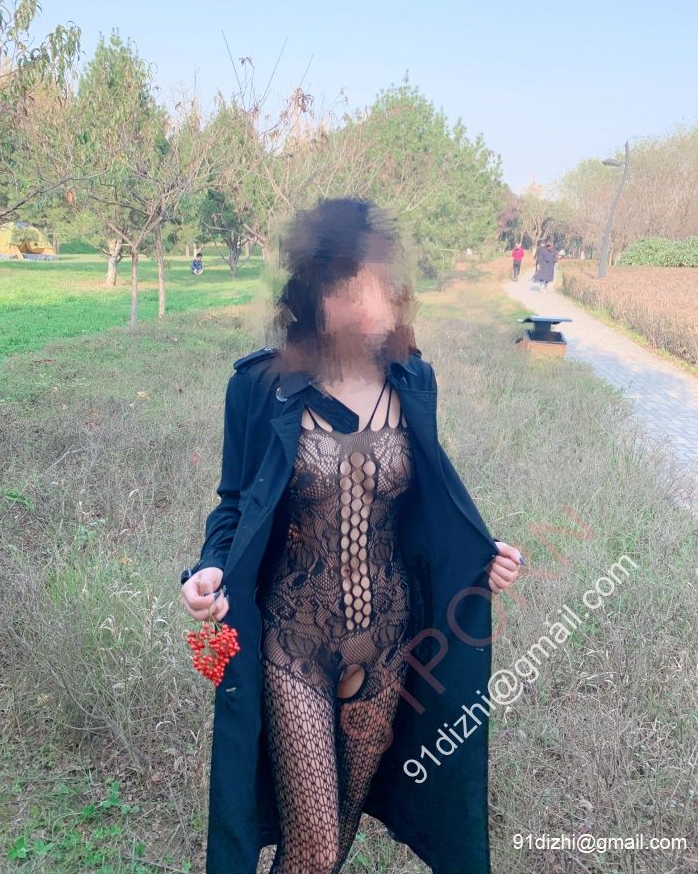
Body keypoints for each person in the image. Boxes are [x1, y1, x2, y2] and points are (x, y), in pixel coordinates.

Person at [179, 197, 525, 874]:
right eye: (347, 285)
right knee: (311, 850)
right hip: (295, 643)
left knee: (336, 838)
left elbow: (431, 504)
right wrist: (209, 569)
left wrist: (483, 559)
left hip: (390, 641)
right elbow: (234, 505)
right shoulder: (261, 387)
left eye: (377, 280)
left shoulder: (414, 379)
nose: (369, 301)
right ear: (314, 294)